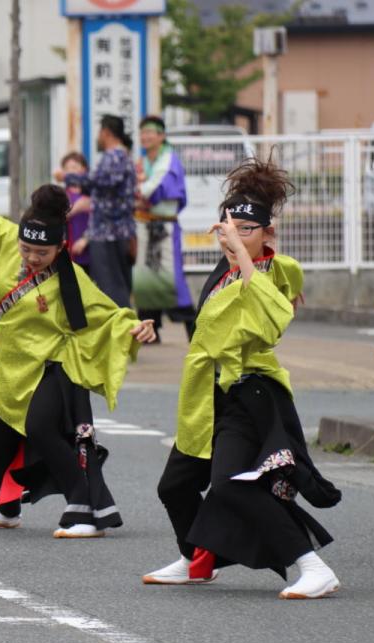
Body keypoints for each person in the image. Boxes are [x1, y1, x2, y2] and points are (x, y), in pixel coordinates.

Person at [0, 163, 155, 538]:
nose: (30, 258)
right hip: (5, 366)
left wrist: (136, 328)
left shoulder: (71, 279)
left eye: (41, 252)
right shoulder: (4, 239)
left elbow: (107, 316)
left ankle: (83, 508)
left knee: (41, 428)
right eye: (25, 249)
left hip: (49, 365)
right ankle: (6, 508)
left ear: (61, 246)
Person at [144, 157, 342, 599]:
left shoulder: (268, 271)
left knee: (234, 484)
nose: (232, 238)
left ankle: (311, 565)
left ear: (268, 233)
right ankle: (196, 559)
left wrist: (244, 256)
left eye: (245, 230)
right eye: (226, 229)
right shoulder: (228, 269)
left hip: (251, 392)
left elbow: (272, 320)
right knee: (174, 486)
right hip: (209, 395)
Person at [133, 117, 193, 341]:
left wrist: (138, 192)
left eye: (151, 132)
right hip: (146, 224)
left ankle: (193, 329)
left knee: (171, 278)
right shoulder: (144, 160)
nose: (146, 136)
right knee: (146, 278)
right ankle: (152, 330)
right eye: (143, 132)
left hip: (164, 226)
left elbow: (154, 189)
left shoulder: (169, 160)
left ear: (161, 136)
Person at [71, 115, 136, 307]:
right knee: (116, 286)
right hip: (114, 233)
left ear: (106, 133)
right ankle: (123, 330)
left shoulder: (114, 156)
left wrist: (68, 177)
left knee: (112, 288)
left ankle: (123, 332)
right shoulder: (121, 156)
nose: (98, 137)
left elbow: (99, 181)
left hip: (109, 233)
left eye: (100, 132)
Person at [58, 152, 91, 273]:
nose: (70, 172)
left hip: (90, 250)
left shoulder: (91, 194)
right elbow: (57, 219)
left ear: (84, 170)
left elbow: (100, 220)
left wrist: (85, 240)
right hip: (69, 253)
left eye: (74, 167)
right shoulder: (61, 194)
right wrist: (75, 209)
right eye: (66, 169)